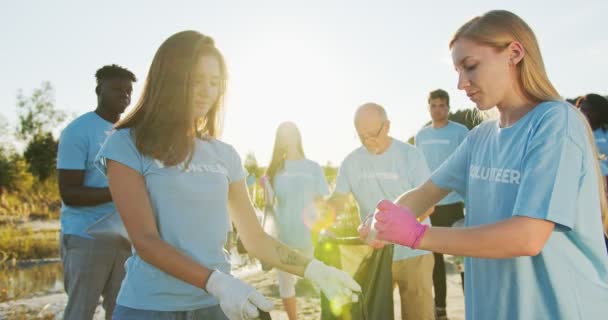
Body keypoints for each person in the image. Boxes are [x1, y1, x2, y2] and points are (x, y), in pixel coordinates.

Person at [359, 10, 608, 320]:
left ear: (514, 53)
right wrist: (384, 219)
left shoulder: (556, 122)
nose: (461, 83)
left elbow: (527, 237)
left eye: (471, 66)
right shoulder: (480, 137)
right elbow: (425, 193)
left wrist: (418, 236)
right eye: (457, 70)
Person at [95, 31, 360, 320]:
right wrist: (218, 282)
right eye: (196, 80)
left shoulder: (224, 154)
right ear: (169, 78)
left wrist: (313, 268)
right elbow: (145, 240)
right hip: (149, 307)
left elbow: (256, 238)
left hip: (215, 305)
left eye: (214, 82)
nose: (207, 91)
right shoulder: (125, 144)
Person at [328, 102, 435, 320]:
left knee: (419, 315)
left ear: (387, 126)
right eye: (361, 136)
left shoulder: (411, 156)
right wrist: (321, 218)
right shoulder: (351, 162)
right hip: (374, 255)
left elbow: (428, 204)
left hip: (415, 253)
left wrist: (394, 232)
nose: (368, 141)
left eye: (372, 134)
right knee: (373, 314)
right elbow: (338, 201)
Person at [57, 64, 136, 320]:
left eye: (128, 91)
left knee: (122, 312)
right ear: (98, 90)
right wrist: (119, 192)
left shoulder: (132, 133)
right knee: (80, 312)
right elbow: (70, 193)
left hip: (126, 240)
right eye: (117, 89)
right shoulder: (77, 131)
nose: (124, 95)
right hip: (86, 238)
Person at [260, 121, 330, 320]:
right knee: (285, 282)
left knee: (318, 278)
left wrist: (326, 228)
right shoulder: (274, 171)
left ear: (298, 136)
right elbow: (269, 206)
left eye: (290, 134)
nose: (287, 139)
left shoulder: (313, 167)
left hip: (310, 235)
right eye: (283, 135)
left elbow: (321, 202)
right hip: (283, 236)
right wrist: (265, 186)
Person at [415, 89, 468, 319]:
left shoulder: (461, 132)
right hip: (431, 207)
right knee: (434, 263)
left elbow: (467, 166)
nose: (438, 109)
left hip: (455, 204)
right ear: (429, 107)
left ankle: (471, 306)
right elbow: (419, 171)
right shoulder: (421, 135)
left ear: (448, 107)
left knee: (462, 259)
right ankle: (441, 310)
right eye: (434, 105)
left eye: (442, 105)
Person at [578, 93, 608, 253]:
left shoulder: (605, 135)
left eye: (588, 109)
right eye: (581, 108)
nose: (584, 112)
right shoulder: (577, 134)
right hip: (589, 194)